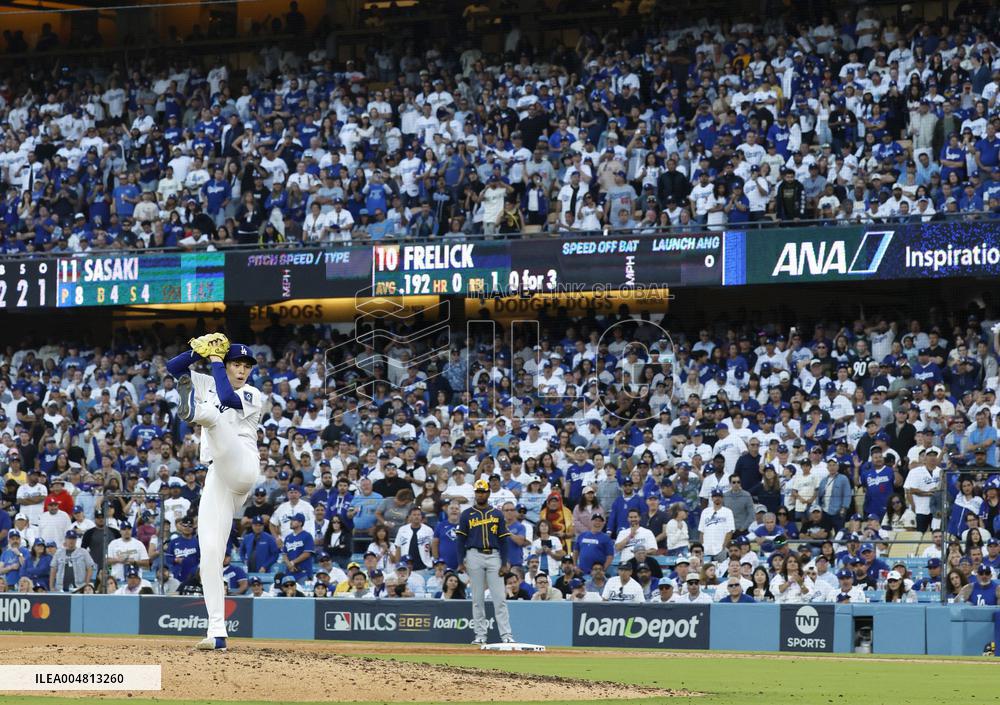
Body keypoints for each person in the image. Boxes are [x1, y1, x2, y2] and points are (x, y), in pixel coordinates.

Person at [169, 333, 263, 652]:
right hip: (215, 474)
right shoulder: (209, 379)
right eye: (237, 363)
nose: (242, 370)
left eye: (246, 366)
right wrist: (194, 350)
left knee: (213, 418)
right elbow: (173, 367)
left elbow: (225, 392)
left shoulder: (253, 394)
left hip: (242, 467)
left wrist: (215, 362)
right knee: (209, 550)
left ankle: (195, 414)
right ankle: (217, 632)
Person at [455, 478, 515, 645]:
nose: (480, 494)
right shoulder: (467, 514)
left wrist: (504, 562)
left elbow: (504, 540)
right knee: (477, 598)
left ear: (488, 493)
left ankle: (506, 635)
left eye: (483, 491)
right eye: (478, 491)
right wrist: (460, 561)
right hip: (474, 554)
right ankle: (480, 635)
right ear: (475, 493)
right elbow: (460, 540)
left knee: (500, 598)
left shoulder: (497, 514)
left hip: (494, 555)